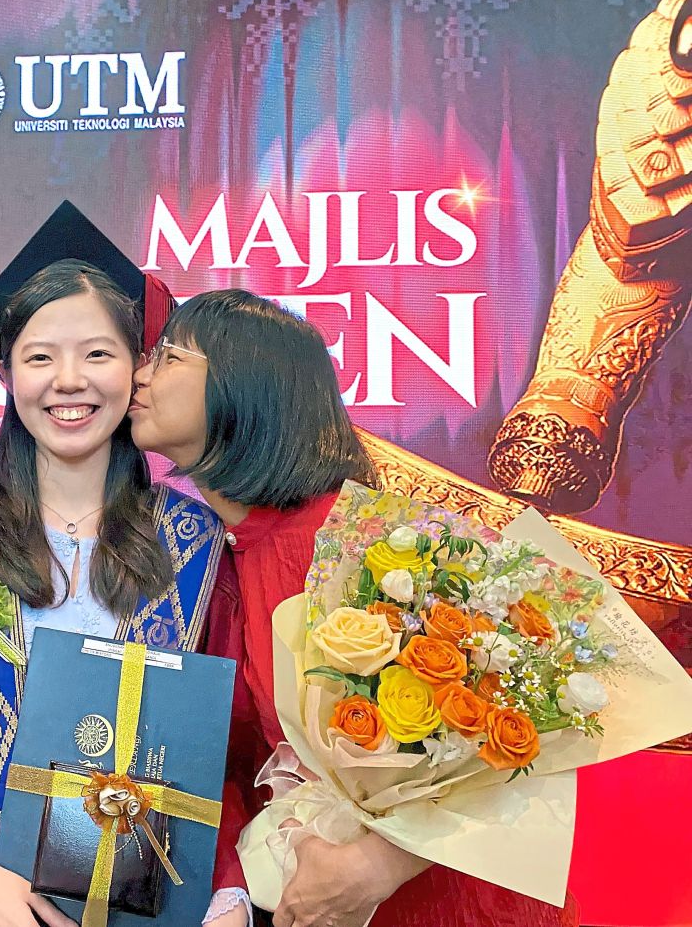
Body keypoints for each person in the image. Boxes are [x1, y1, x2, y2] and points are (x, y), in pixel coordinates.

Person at [0, 203, 253, 927]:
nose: (70, 381)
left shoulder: (199, 549)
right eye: (40, 357)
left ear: (137, 369)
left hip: (156, 900)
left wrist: (225, 894)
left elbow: (224, 757)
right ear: (5, 372)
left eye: (98, 354)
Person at [128, 288, 581, 927]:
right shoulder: (226, 553)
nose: (139, 374)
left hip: (444, 899)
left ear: (247, 385)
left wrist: (379, 864)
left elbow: (515, 732)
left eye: (169, 356)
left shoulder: (364, 541)